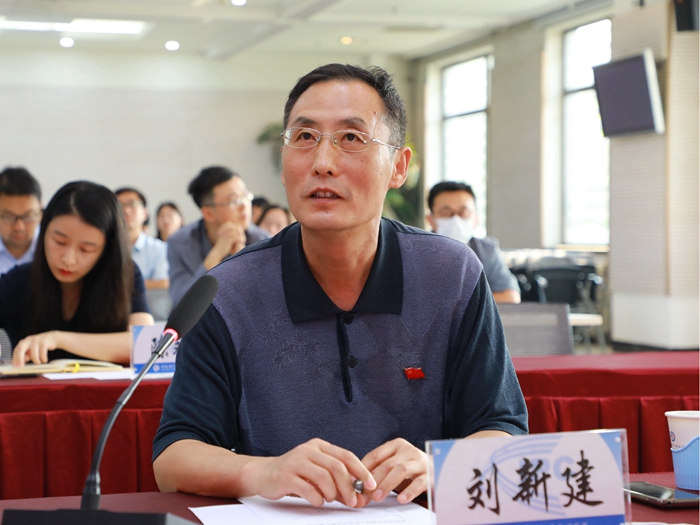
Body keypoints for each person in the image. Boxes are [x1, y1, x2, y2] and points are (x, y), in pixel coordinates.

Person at [153, 64, 527, 509]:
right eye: (304, 137)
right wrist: (264, 472)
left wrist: (440, 464)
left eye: (351, 138)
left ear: (398, 166)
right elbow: (173, 457)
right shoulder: (228, 291)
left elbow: (502, 428)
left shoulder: (451, 274)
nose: (322, 163)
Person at [0, 181, 154, 366]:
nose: (68, 259)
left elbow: (146, 344)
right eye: (59, 241)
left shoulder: (124, 275)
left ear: (107, 250)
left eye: (86, 249)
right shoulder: (19, 280)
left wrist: (58, 339)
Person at [166, 166, 269, 306]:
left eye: (245, 196)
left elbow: (268, 300)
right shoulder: (180, 243)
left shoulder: (264, 240)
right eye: (234, 201)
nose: (244, 205)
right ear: (208, 213)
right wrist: (216, 254)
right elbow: (180, 302)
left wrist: (241, 256)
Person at [427, 181, 521, 304]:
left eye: (464, 213)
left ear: (476, 219)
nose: (456, 220)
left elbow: (510, 297)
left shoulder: (487, 251)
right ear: (431, 220)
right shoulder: (417, 252)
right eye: (446, 213)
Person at [116, 187, 169, 290]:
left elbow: (163, 284)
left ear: (145, 213)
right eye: (120, 206)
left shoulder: (160, 249)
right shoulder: (103, 248)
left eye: (132, 204)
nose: (126, 210)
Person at [0, 167, 42, 276]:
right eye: (8, 217)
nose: (19, 227)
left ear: (40, 212)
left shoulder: (54, 248)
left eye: (28, 216)